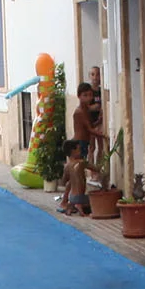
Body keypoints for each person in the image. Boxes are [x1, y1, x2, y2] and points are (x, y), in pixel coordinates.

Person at [62, 83, 102, 214]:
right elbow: (89, 129)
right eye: (85, 95)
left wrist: (99, 121)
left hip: (82, 142)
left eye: (90, 95)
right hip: (79, 143)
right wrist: (105, 135)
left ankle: (68, 200)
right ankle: (67, 200)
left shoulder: (86, 110)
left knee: (76, 175)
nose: (88, 98)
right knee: (76, 175)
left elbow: (89, 126)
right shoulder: (80, 111)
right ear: (79, 96)